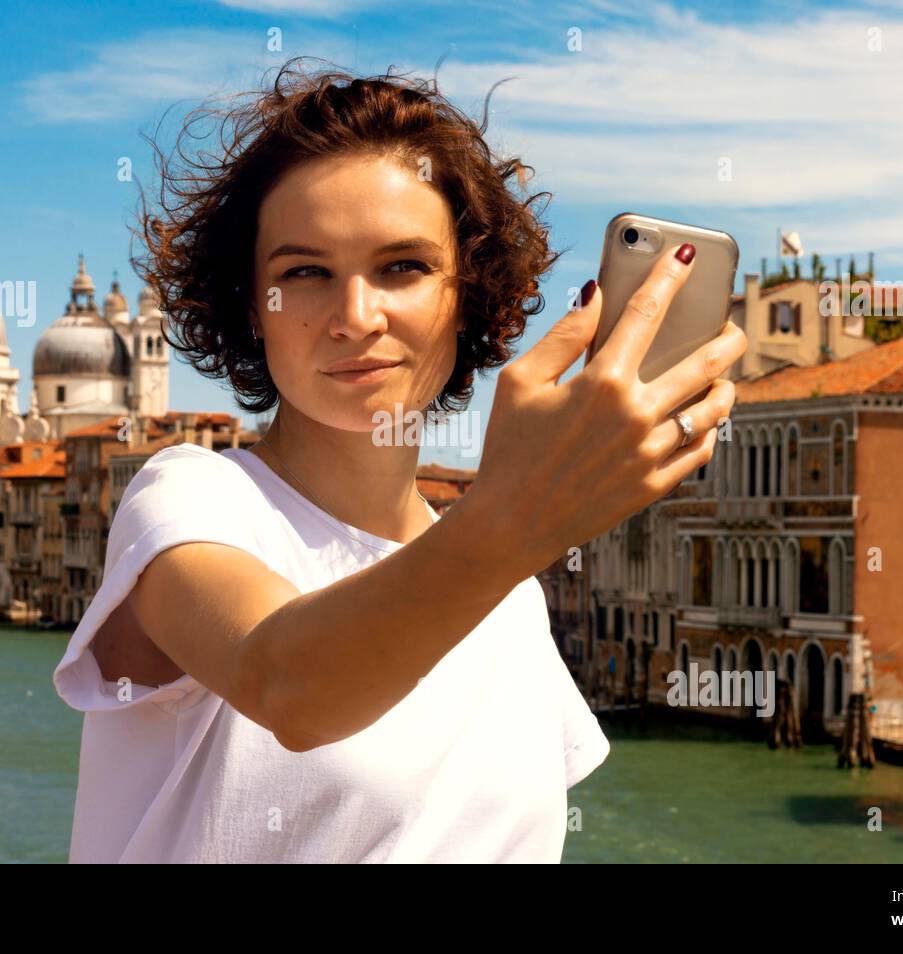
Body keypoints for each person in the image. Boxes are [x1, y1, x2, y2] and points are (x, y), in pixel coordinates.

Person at [52, 57, 745, 863]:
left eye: (403, 268)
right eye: (304, 273)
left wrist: (510, 533)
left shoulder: (511, 595)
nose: (356, 316)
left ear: (469, 292)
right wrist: (517, 519)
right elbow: (287, 685)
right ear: (253, 307)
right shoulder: (189, 500)